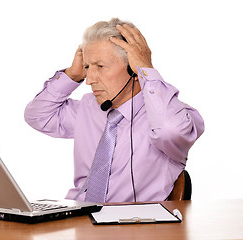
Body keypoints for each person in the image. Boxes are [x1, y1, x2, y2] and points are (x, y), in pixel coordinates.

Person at [24, 18, 204, 203]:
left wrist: (146, 70)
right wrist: (72, 74)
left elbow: (170, 131)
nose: (90, 79)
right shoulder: (88, 106)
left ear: (133, 70)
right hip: (78, 218)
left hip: (134, 226)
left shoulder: (174, 116)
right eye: (87, 67)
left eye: (100, 66)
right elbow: (37, 115)